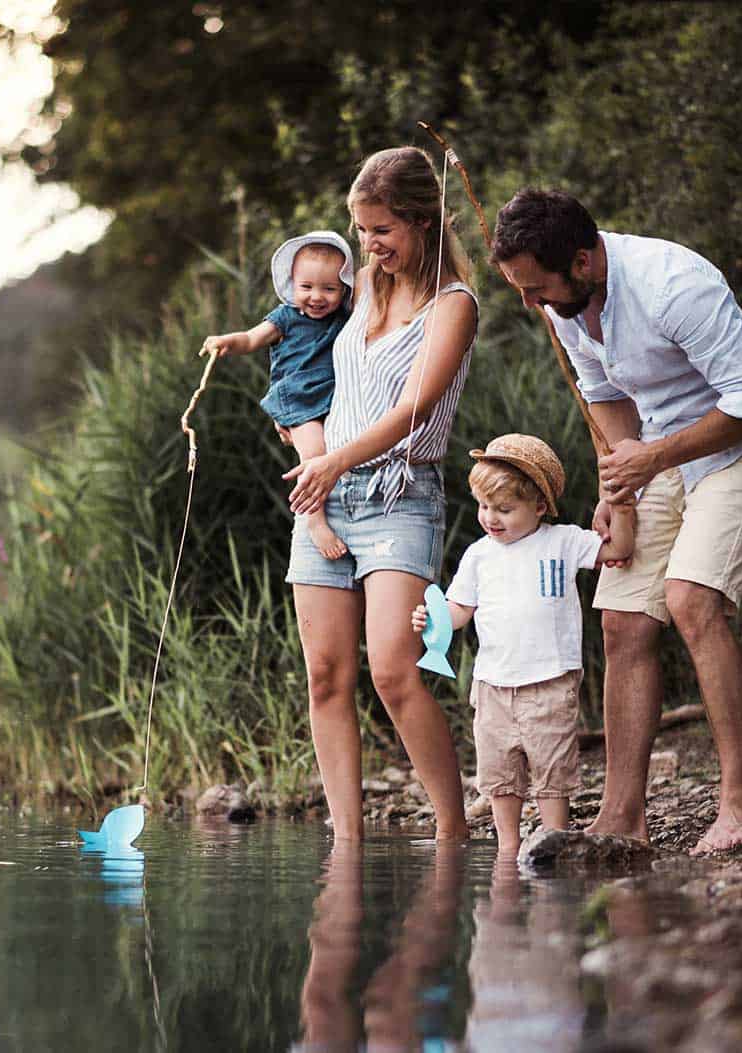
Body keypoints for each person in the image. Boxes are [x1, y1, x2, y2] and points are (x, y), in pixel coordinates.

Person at [490, 188, 742, 854]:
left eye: (537, 287)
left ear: (581, 260)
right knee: (623, 617)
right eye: (520, 290)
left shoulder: (672, 285)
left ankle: (739, 807)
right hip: (659, 452)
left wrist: (651, 457)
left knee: (690, 600)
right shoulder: (565, 306)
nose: (530, 303)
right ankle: (622, 818)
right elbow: (606, 399)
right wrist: (619, 486)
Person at [281, 146, 478, 843]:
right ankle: (347, 842)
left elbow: (416, 411)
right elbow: (298, 367)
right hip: (326, 495)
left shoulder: (455, 305)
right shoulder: (359, 283)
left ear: (423, 221)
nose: (369, 245)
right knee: (326, 676)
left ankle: (453, 831)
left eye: (383, 230)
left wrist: (333, 461)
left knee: (395, 670)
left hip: (401, 493)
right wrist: (313, 454)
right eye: (363, 230)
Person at [411, 434, 635, 860]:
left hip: (549, 680)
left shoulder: (563, 541)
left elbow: (619, 549)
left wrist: (621, 507)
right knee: (499, 773)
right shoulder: (479, 555)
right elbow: (458, 609)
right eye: (484, 507)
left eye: (505, 509)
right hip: (493, 683)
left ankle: (553, 839)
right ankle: (508, 848)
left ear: (539, 506)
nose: (491, 518)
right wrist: (431, 619)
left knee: (552, 768)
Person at [203, 232, 356, 559]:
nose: (316, 297)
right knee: (315, 453)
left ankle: (342, 509)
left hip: (333, 398)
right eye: (306, 287)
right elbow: (250, 338)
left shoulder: (345, 319)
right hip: (298, 399)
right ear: (292, 284)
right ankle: (314, 520)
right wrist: (227, 342)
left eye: (329, 289)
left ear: (344, 288)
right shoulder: (285, 317)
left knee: (340, 448)